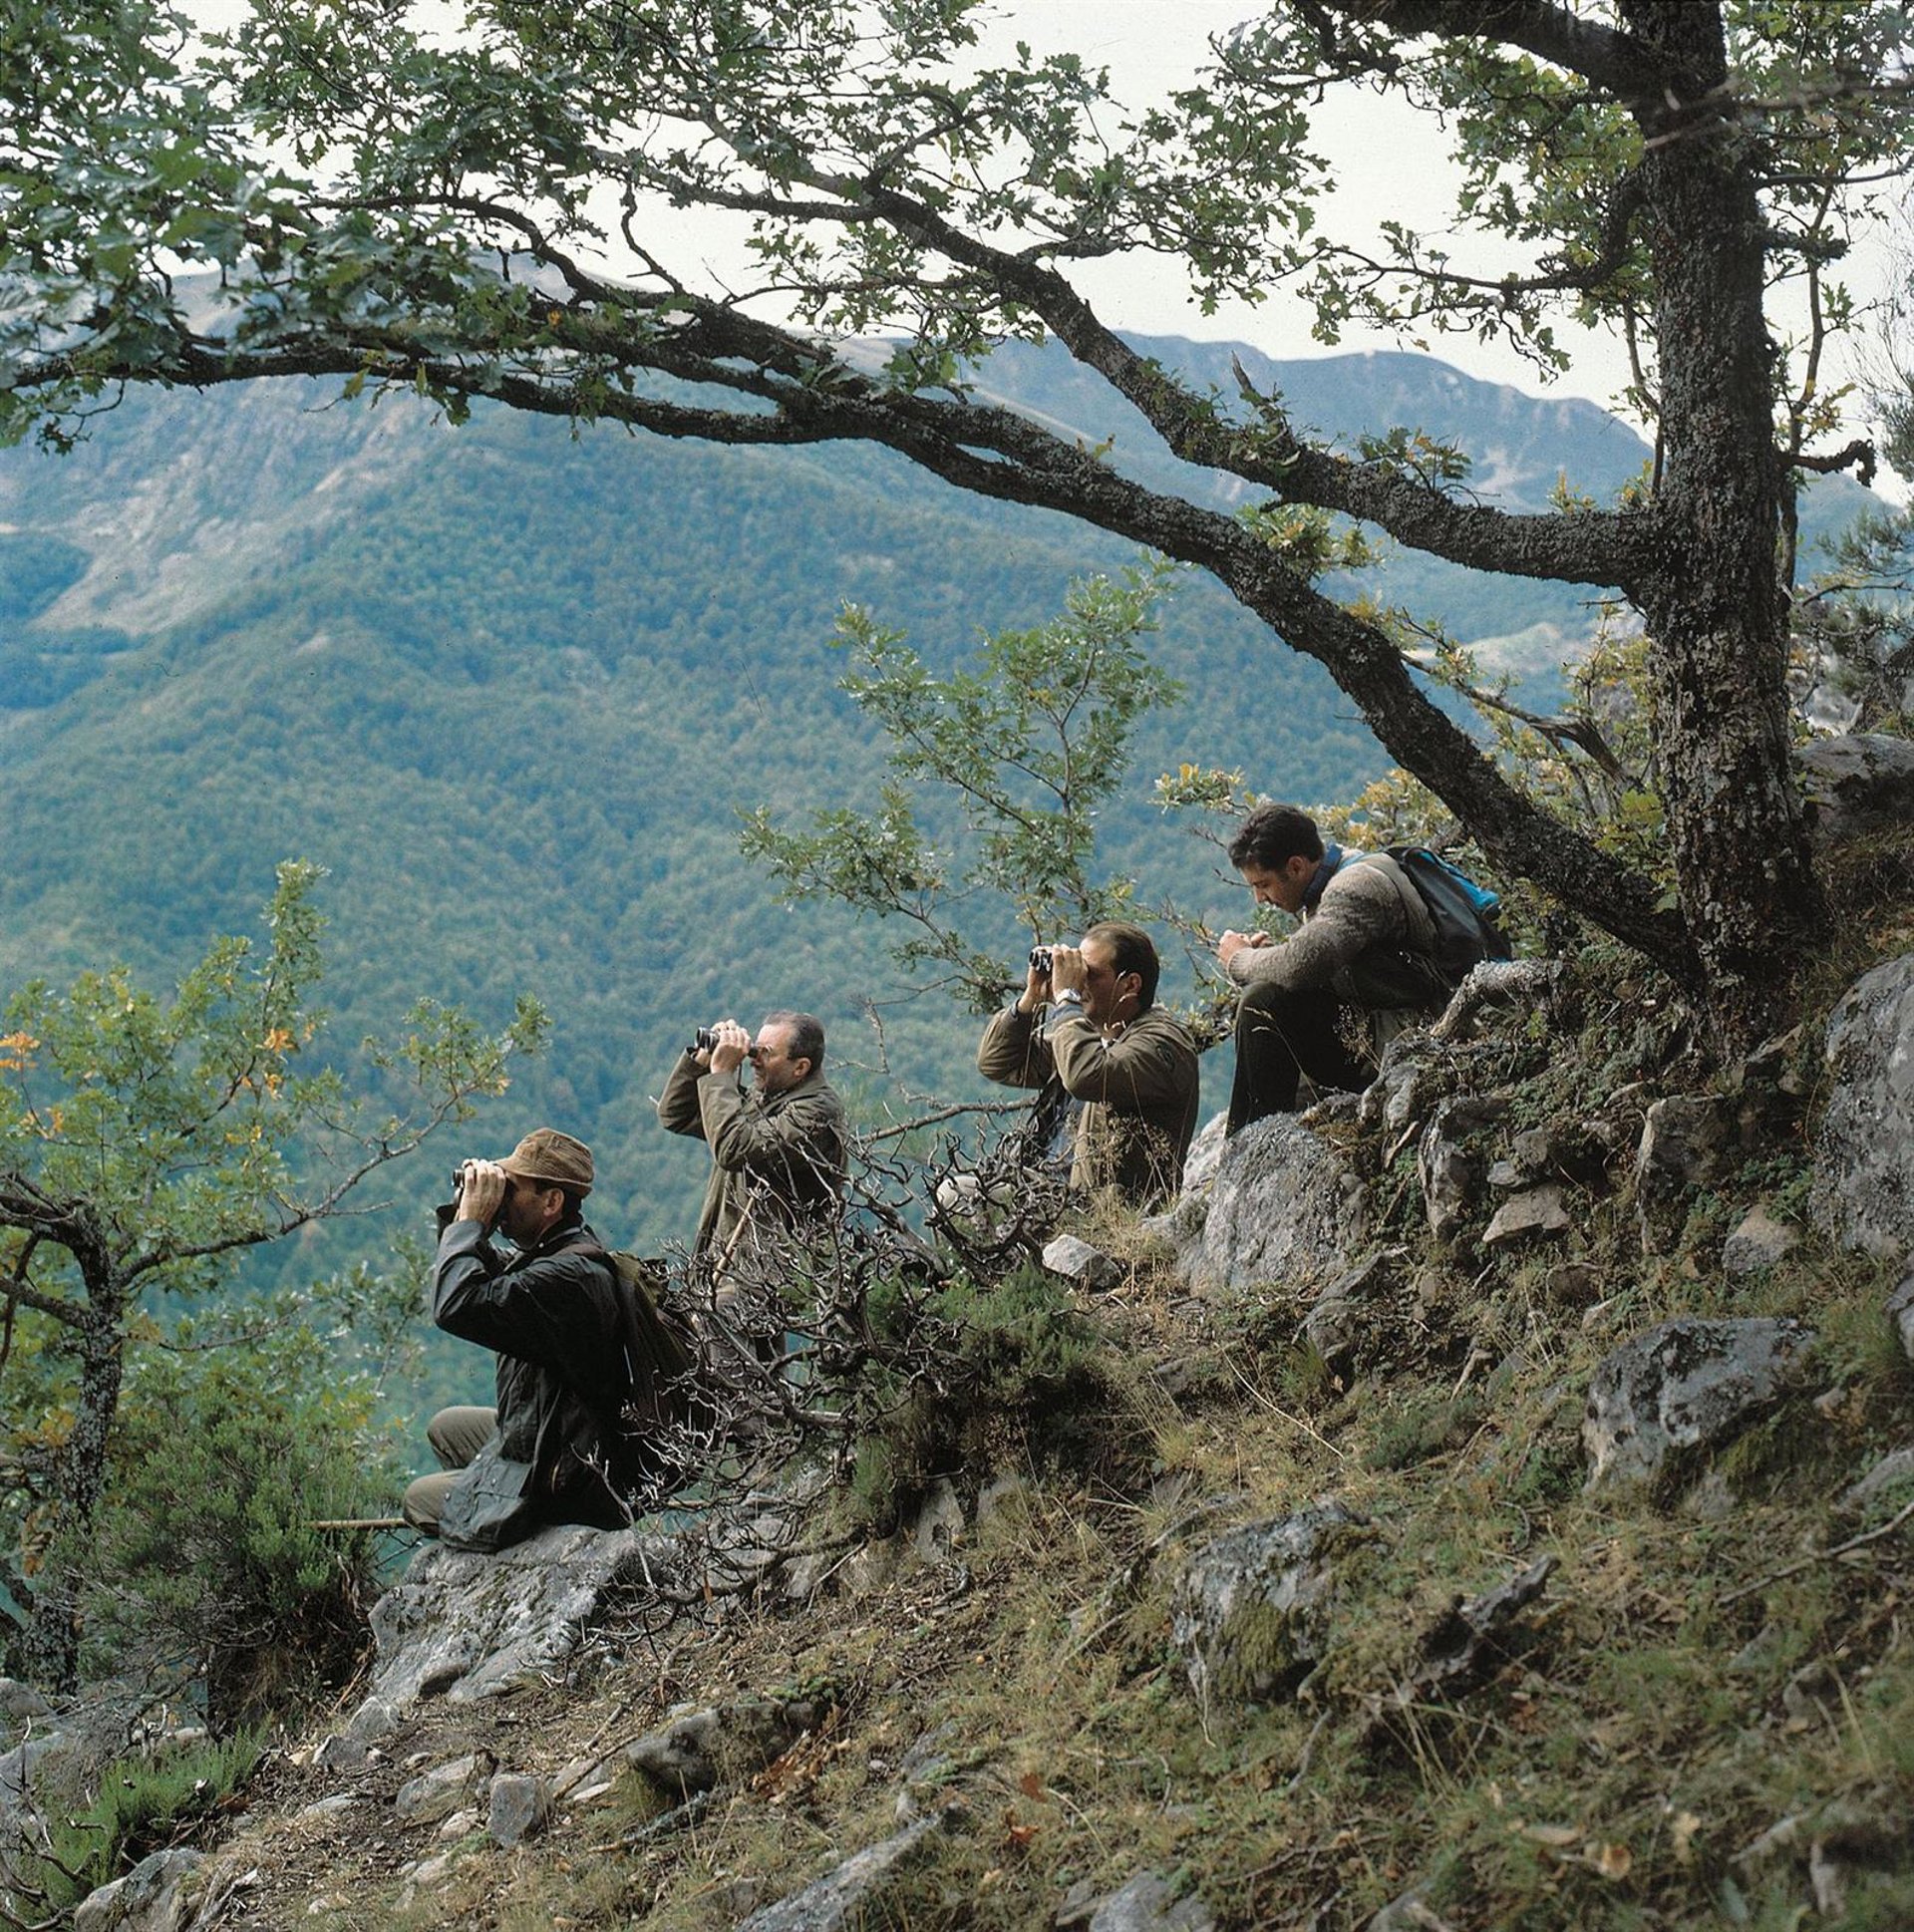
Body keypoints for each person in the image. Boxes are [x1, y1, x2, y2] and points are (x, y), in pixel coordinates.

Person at [402, 1128, 655, 1551]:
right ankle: (489, 1490)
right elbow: (486, 1271)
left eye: (512, 1189)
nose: (502, 1199)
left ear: (551, 1201)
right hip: (561, 1434)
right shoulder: (562, 1251)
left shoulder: (568, 1279)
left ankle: (518, 1520)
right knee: (447, 1427)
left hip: (571, 1475)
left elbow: (456, 1305)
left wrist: (471, 1223)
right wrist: (465, 1214)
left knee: (419, 1499)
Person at [1217, 803, 1447, 1134]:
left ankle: (1250, 1139)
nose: (1260, 898)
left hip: (1410, 1035)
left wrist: (1240, 960)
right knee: (1272, 993)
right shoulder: (1334, 880)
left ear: (1296, 866)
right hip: (1379, 1025)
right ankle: (1264, 1134)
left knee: (1262, 1000)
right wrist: (1267, 961)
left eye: (1263, 884)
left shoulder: (1356, 885)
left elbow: (1303, 963)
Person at [977, 920, 1199, 1211]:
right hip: (1041, 1193)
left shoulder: (1163, 1043)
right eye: (1077, 970)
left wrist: (1067, 999)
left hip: (1102, 1210)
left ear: (1130, 984)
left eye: (1089, 973)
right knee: (956, 1195)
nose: (1079, 982)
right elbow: (997, 1062)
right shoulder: (1092, 1038)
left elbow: (1087, 1074)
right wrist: (1032, 996)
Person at [656, 1010, 848, 1289]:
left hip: (768, 1278)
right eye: (755, 1049)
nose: (754, 1059)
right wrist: (702, 1060)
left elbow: (732, 1150)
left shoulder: (817, 1112)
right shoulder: (766, 1098)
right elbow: (675, 1114)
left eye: (765, 1053)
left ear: (800, 1067)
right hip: (725, 1265)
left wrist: (721, 1075)